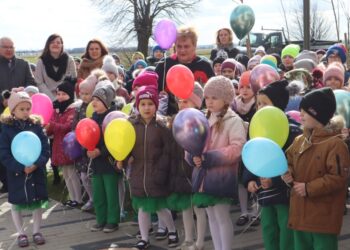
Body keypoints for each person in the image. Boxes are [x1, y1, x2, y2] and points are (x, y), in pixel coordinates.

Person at [283, 87, 350, 250]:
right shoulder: (300, 140)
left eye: (305, 111)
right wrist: (288, 174)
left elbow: (338, 178)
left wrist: (308, 188)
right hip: (300, 212)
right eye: (301, 110)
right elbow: (289, 160)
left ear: (318, 114)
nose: (301, 115)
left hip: (323, 216)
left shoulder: (335, 144)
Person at [188, 76, 246, 250]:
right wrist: (192, 156)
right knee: (211, 215)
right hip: (203, 177)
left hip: (221, 177)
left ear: (226, 99)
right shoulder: (203, 118)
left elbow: (237, 148)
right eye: (207, 97)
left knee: (221, 216)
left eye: (215, 97)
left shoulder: (233, 121)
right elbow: (191, 142)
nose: (210, 101)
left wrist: (210, 157)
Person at [117, 86, 179, 249]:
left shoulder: (162, 126)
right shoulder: (131, 125)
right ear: (137, 106)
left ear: (156, 106)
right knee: (142, 208)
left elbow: (168, 151)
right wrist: (123, 159)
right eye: (143, 104)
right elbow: (124, 146)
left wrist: (162, 170)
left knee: (160, 206)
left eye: (150, 104)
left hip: (157, 173)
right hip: (138, 172)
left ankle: (172, 231)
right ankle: (144, 238)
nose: (146, 107)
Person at [244, 80, 302, 250]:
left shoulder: (291, 130)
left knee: (286, 228)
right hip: (264, 192)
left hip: (284, 192)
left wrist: (275, 179)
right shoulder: (257, 128)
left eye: (265, 103)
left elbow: (292, 164)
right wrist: (250, 179)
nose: (260, 107)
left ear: (277, 105)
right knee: (268, 228)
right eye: (258, 103)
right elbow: (250, 154)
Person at [0, 91, 50, 247]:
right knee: (17, 204)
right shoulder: (7, 129)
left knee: (37, 203)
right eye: (21, 109)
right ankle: (21, 233)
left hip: (36, 172)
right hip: (17, 174)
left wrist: (37, 164)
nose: (26, 112)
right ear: (13, 110)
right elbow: (4, 153)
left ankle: (36, 231)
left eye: (28, 108)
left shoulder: (36, 126)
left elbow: (45, 148)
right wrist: (21, 167)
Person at [168, 82, 208, 250]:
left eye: (186, 101)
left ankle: (199, 242)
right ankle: (188, 240)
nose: (181, 104)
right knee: (185, 207)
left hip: (197, 170)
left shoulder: (202, 122)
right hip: (181, 171)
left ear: (196, 102)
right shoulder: (175, 121)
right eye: (179, 101)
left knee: (199, 208)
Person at [155, 26, 215, 115]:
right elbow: (154, 91)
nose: (182, 50)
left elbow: (213, 94)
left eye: (186, 46)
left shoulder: (205, 66)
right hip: (169, 118)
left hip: (198, 117)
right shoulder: (163, 65)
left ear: (194, 46)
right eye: (179, 46)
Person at [88, 82, 121, 233]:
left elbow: (115, 140)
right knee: (98, 193)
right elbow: (86, 136)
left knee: (110, 193)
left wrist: (101, 151)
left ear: (106, 102)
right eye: (93, 98)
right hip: (95, 163)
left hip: (109, 162)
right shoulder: (92, 118)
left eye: (98, 99)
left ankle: (112, 220)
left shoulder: (113, 118)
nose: (94, 102)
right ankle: (100, 219)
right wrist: (87, 150)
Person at [45, 76, 83, 207]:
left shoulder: (73, 109)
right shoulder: (57, 109)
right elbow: (53, 129)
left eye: (63, 94)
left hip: (69, 146)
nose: (60, 97)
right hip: (58, 145)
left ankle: (78, 199)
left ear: (70, 95)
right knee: (66, 174)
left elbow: (68, 127)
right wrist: (48, 128)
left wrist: (52, 125)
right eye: (58, 93)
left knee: (72, 173)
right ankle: (72, 198)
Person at [35, 34, 77, 101]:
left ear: (62, 45)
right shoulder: (41, 62)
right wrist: (52, 99)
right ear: (48, 45)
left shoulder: (69, 60)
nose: (55, 44)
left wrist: (63, 96)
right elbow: (39, 82)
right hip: (47, 98)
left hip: (67, 97)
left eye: (58, 42)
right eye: (52, 42)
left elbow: (72, 81)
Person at [0, 37, 35, 113]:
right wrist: (3, 100)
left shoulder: (24, 64)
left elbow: (31, 83)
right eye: (5, 47)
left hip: (22, 109)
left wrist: (23, 94)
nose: (9, 49)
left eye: (11, 47)